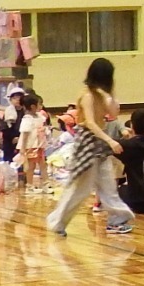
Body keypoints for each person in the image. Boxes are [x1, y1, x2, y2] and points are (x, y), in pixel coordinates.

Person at [46, 59, 133, 237]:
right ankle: (57, 222)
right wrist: (110, 141)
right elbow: (91, 123)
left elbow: (114, 113)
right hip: (87, 142)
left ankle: (117, 220)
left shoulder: (101, 96)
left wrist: (110, 93)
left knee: (108, 185)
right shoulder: (87, 95)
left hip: (99, 144)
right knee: (80, 189)